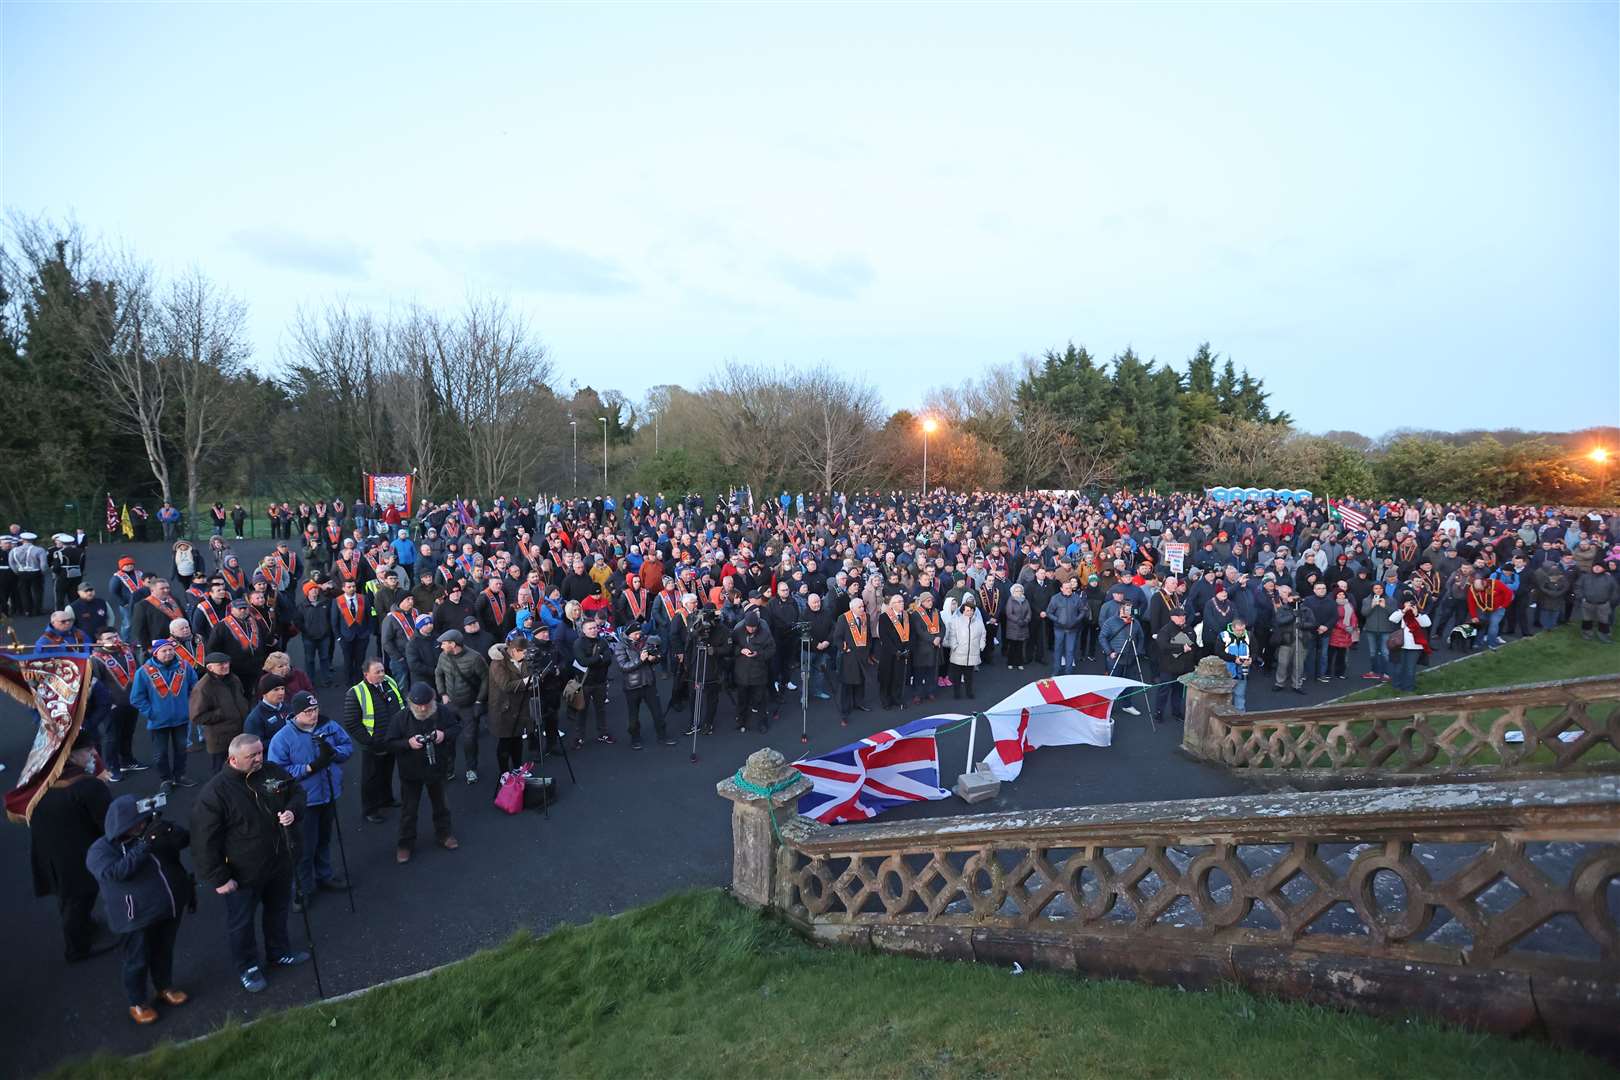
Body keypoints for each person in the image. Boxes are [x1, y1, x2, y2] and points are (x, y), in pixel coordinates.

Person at [189, 733, 310, 994]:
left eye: (260, 753)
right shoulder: (215, 793)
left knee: (277, 910)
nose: (259, 759)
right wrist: (218, 878)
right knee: (242, 922)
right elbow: (203, 840)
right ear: (232, 759)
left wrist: (293, 810)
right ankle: (248, 967)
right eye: (251, 756)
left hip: (280, 861)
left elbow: (297, 792)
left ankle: (278, 952)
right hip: (243, 872)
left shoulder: (271, 770)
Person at [85, 794, 195, 1025]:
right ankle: (137, 1002)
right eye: (138, 822)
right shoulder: (100, 850)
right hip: (134, 917)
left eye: (145, 820)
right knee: (137, 960)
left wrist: (169, 830)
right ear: (121, 824)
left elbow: (185, 840)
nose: (143, 825)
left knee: (164, 951)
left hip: (167, 906)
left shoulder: (150, 833)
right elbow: (115, 873)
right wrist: (145, 845)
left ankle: (164, 986)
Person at [30, 730, 113, 962]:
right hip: (79, 856)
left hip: (50, 853)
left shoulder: (43, 781)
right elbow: (109, 823)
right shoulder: (89, 787)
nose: (94, 754)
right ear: (72, 755)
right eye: (88, 750)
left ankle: (84, 927)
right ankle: (76, 949)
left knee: (67, 898)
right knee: (79, 900)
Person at [268, 692, 353, 909]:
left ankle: (324, 875)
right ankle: (302, 888)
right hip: (305, 801)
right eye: (308, 712)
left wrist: (333, 753)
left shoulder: (329, 726)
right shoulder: (282, 738)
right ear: (296, 713)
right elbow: (277, 772)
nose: (314, 715)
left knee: (325, 838)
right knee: (304, 847)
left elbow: (347, 746)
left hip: (329, 793)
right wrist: (309, 767)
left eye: (315, 710)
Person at [385, 683, 462, 864]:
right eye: (418, 705)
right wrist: (407, 743)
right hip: (411, 773)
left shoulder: (442, 712)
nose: (422, 708)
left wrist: (443, 735)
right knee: (409, 810)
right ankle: (405, 844)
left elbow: (456, 727)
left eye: (426, 704)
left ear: (432, 700)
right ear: (410, 703)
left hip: (437, 769)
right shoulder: (401, 718)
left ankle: (444, 834)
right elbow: (389, 742)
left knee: (442, 805)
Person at [341, 657, 405, 823]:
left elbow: (400, 703)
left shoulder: (389, 682)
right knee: (371, 777)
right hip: (373, 745)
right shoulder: (356, 693)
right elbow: (352, 722)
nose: (382, 674)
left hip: (391, 740)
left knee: (387, 772)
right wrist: (369, 741)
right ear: (366, 674)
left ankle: (386, 799)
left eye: (382, 670)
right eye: (377, 672)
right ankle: (370, 809)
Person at [129, 639, 198, 791]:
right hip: (158, 721)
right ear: (155, 653)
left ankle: (179, 775)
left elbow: (195, 687)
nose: (168, 653)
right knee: (160, 754)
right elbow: (136, 698)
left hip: (181, 719)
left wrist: (189, 707)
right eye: (164, 651)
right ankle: (166, 779)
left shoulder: (185, 667)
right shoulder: (144, 672)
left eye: (170, 650)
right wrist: (151, 713)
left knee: (181, 750)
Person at [435, 627, 490, 780]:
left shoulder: (475, 658)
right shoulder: (443, 657)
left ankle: (471, 769)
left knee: (469, 739)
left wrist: (479, 701)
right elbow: (438, 673)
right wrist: (443, 694)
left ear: (453, 644)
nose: (441, 646)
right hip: (450, 705)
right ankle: (448, 769)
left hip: (469, 706)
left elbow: (486, 679)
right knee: (446, 739)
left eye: (444, 643)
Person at [191, 652, 252, 773]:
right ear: (210, 667)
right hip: (220, 740)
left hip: (240, 733)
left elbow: (242, 697)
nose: (225, 666)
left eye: (226, 663)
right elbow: (197, 717)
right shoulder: (203, 687)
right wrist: (222, 713)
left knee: (242, 767)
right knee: (221, 772)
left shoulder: (234, 679)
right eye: (221, 664)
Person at [568, 618, 613, 748]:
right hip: (584, 683)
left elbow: (609, 660)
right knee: (581, 711)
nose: (594, 630)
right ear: (583, 630)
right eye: (590, 628)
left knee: (601, 709)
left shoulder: (602, 641)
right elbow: (583, 661)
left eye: (595, 628)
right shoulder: (578, 643)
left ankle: (603, 733)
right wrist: (599, 658)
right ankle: (579, 738)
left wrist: (594, 660)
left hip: (600, 681)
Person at [330, 578, 373, 687]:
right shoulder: (337, 601)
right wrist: (338, 637)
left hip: (362, 636)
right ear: (343, 588)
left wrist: (368, 632)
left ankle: (360, 682)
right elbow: (334, 621)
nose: (352, 588)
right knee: (348, 661)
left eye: (353, 586)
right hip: (345, 637)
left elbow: (370, 616)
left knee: (360, 661)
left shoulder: (363, 599)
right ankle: (348, 683)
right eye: (349, 587)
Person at [943, 594, 986, 699]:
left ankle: (969, 692)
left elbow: (983, 634)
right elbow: (952, 635)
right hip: (958, 652)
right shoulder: (956, 621)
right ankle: (956, 693)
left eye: (971, 610)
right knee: (956, 676)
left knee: (969, 676)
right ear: (962, 611)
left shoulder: (978, 622)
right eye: (967, 610)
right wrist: (954, 646)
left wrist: (982, 644)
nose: (970, 612)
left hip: (972, 652)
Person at [1391, 593, 1433, 693]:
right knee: (1399, 667)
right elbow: (1392, 619)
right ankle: (1397, 686)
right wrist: (1404, 611)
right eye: (1407, 603)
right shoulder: (1400, 612)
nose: (1409, 605)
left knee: (1410, 669)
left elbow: (1427, 623)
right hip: (1400, 645)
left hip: (1415, 646)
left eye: (1411, 603)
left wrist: (1416, 614)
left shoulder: (1420, 613)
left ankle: (1408, 688)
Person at [1045, 577, 1084, 676]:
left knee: (1070, 651)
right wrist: (1058, 620)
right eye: (1066, 588)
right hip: (1059, 629)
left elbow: (1082, 611)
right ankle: (1056, 671)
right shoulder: (1055, 598)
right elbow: (1049, 613)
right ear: (1061, 589)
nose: (1069, 590)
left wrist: (1076, 620)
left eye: (1070, 588)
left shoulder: (1076, 598)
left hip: (1073, 629)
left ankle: (1068, 673)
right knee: (1058, 650)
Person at [1218, 618, 1252, 712]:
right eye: (1238, 630)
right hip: (1226, 672)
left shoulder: (1249, 635)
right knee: (1224, 697)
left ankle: (1240, 720)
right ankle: (1224, 719)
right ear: (1232, 628)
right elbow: (1219, 652)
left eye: (1242, 630)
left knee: (1240, 696)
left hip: (1242, 672)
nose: (1241, 632)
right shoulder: (1223, 636)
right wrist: (1234, 659)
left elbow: (1255, 649)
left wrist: (1251, 658)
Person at [244, 673, 289, 743]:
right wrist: (282, 742)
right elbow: (255, 744)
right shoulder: (255, 717)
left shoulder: (288, 708)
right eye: (276, 689)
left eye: (282, 688)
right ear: (264, 693)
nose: (281, 693)